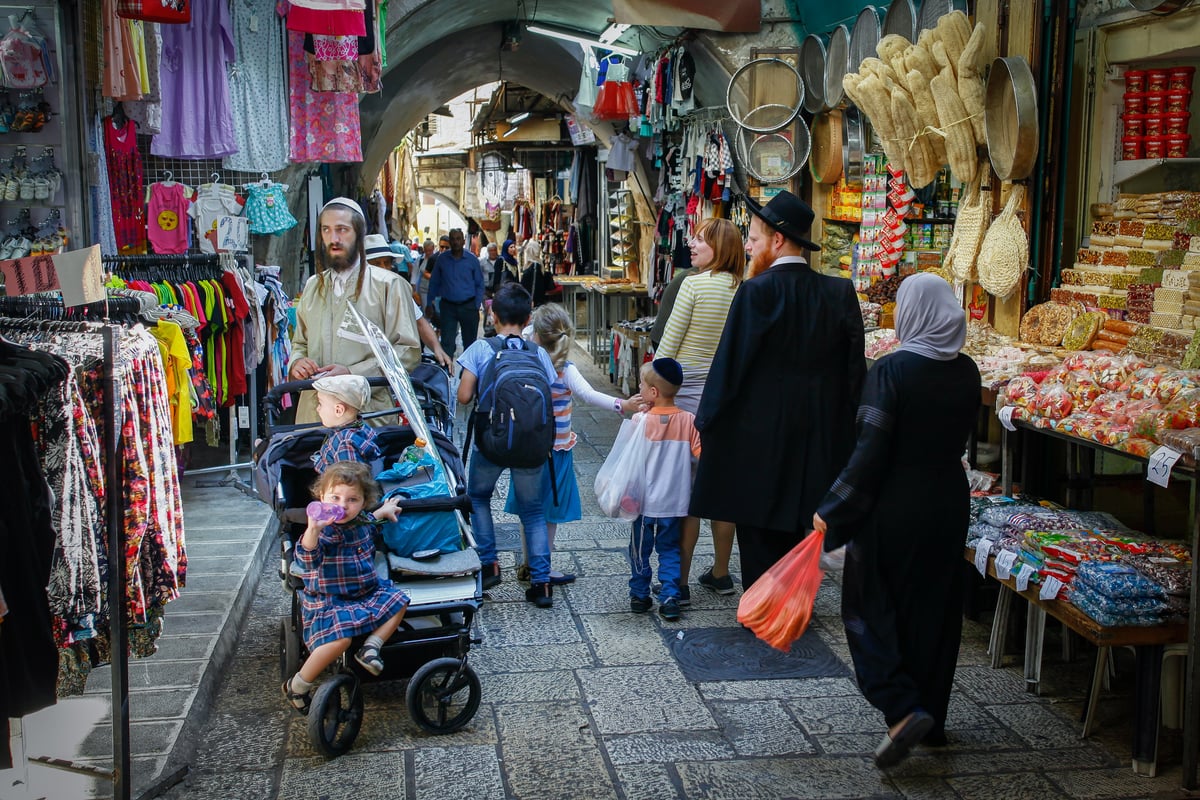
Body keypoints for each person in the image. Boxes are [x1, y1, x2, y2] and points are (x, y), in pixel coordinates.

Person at [811, 274, 979, 768]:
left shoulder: (892, 371)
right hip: (947, 500)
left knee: (871, 603)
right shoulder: (967, 371)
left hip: (896, 504)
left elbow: (870, 452)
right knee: (934, 606)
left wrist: (833, 508)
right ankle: (932, 717)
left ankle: (903, 709)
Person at [690, 190, 864, 591]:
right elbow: (855, 374)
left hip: (760, 440)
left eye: (753, 237)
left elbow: (729, 368)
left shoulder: (756, 292)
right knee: (805, 526)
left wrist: (707, 421)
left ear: (778, 240)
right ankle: (795, 603)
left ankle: (765, 607)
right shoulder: (839, 293)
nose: (748, 245)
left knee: (760, 531)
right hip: (820, 438)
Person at [505, 303, 642, 585]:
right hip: (556, 451)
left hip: (525, 450)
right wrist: (623, 403)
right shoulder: (565, 370)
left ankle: (530, 563)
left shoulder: (525, 363)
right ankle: (544, 565)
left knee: (528, 509)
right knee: (550, 513)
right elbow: (589, 395)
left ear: (537, 335)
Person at [654, 218, 743, 600]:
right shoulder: (745, 289)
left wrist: (650, 393)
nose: (691, 243)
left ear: (719, 248)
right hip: (727, 402)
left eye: (701, 239)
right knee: (722, 487)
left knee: (687, 493)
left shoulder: (693, 284)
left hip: (687, 401)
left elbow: (667, 351)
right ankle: (721, 573)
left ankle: (682, 580)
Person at [457, 282, 559, 608]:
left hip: (491, 443)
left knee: (478, 497)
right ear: (528, 316)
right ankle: (541, 584)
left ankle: (489, 564)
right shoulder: (538, 352)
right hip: (531, 443)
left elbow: (463, 396)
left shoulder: (480, 348)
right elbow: (550, 393)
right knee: (532, 512)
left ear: (493, 314)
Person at [283, 462, 410, 713]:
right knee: (340, 640)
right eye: (335, 497)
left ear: (364, 502)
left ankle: (371, 646)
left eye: (352, 499)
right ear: (321, 498)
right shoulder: (322, 530)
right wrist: (312, 530)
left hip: (366, 592)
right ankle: (297, 684)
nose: (342, 506)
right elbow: (307, 560)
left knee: (399, 600)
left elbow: (368, 521)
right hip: (330, 599)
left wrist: (383, 511)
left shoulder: (361, 520)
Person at [289, 198, 421, 425]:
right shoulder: (313, 286)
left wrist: (352, 372)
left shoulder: (388, 285)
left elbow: (408, 351)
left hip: (367, 418)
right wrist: (297, 363)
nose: (334, 238)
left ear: (359, 235)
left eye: (342, 230)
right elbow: (300, 343)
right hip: (314, 418)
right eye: (326, 230)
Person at [625, 358, 700, 622]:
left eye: (643, 386)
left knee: (639, 550)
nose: (640, 390)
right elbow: (700, 455)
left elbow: (629, 462)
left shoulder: (639, 421)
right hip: (676, 503)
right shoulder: (690, 421)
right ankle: (670, 597)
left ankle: (640, 594)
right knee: (669, 549)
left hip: (643, 504)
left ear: (653, 393)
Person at [363, 233, 453, 373]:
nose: (383, 268)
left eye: (386, 262)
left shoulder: (396, 291)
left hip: (389, 364)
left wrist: (437, 348)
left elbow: (420, 322)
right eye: (376, 263)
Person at [426, 228, 485, 357]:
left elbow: (480, 283)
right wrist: (429, 303)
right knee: (447, 342)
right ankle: (447, 371)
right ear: (450, 242)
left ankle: (468, 373)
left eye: (458, 239)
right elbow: (434, 281)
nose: (455, 242)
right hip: (448, 307)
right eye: (453, 239)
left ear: (463, 241)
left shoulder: (472, 260)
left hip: (468, 305)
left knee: (470, 343)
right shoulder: (442, 260)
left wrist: (476, 305)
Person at [310, 375, 381, 473]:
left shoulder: (343, 442)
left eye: (320, 404)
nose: (318, 409)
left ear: (338, 410)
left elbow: (349, 481)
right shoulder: (363, 428)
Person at [520, 239, 557, 307]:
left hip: (533, 301)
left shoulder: (534, 266)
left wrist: (531, 300)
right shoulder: (532, 264)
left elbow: (534, 285)